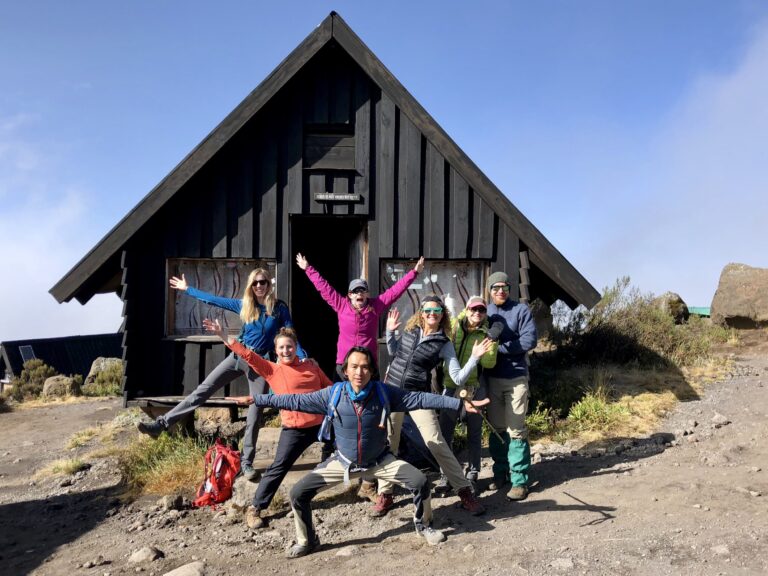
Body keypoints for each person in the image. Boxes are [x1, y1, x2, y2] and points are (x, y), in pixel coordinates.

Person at [246, 345, 490, 558]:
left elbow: (419, 398)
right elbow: (294, 401)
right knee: (298, 493)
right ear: (346, 370)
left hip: (379, 461)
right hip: (343, 462)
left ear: (372, 371)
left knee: (420, 481)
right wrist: (258, 400)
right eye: (354, 367)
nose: (359, 372)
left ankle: (423, 525)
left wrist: (459, 404)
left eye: (364, 367)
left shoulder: (384, 393)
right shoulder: (334, 394)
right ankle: (308, 540)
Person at [137, 268, 305, 481]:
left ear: (269, 285)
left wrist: (303, 357)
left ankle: (246, 463)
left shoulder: (279, 308)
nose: (260, 286)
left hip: (260, 363)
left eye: (263, 282)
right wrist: (187, 289)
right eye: (255, 283)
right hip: (237, 356)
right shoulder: (245, 305)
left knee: (255, 412)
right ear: (251, 287)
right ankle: (161, 424)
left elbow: (290, 333)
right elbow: (214, 300)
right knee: (203, 391)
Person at [205, 319, 332, 530]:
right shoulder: (272, 370)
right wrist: (222, 334)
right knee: (278, 468)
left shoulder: (311, 366)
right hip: (295, 430)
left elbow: (330, 388)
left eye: (289, 346)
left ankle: (367, 485)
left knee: (349, 440)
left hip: (322, 424)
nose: (286, 350)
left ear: (296, 347)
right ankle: (255, 507)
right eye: (281, 347)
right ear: (275, 351)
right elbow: (246, 354)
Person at [373, 295, 492, 517]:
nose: (431, 315)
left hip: (418, 395)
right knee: (389, 442)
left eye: (437, 312)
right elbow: (394, 353)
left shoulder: (443, 343)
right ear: (421, 312)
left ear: (442, 315)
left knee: (436, 441)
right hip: (392, 392)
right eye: (428, 310)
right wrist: (390, 332)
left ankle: (464, 491)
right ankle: (385, 493)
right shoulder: (410, 331)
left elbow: (456, 378)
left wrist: (474, 358)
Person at [295, 253, 425, 379]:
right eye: (355, 291)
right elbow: (324, 287)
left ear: (367, 294)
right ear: (350, 295)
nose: (359, 294)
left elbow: (395, 290)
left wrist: (414, 272)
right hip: (344, 363)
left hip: (367, 363)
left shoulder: (376, 306)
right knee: (339, 396)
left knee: (373, 397)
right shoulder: (341, 305)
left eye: (362, 290)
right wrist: (308, 268)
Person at [436, 295, 498, 494]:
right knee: (445, 433)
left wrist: (491, 343)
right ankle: (447, 476)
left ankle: (472, 475)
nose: (477, 313)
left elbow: (489, 364)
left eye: (481, 310)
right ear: (467, 309)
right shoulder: (454, 326)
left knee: (474, 432)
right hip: (450, 386)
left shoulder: (487, 333)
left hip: (473, 387)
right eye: (474, 309)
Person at [484, 271, 538, 500]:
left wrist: (499, 347)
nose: (500, 291)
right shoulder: (484, 311)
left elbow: (529, 340)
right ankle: (500, 473)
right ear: (489, 290)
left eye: (504, 287)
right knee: (496, 429)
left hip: (516, 379)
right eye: (495, 288)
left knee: (516, 430)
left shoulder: (521, 310)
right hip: (491, 380)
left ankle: (519, 480)